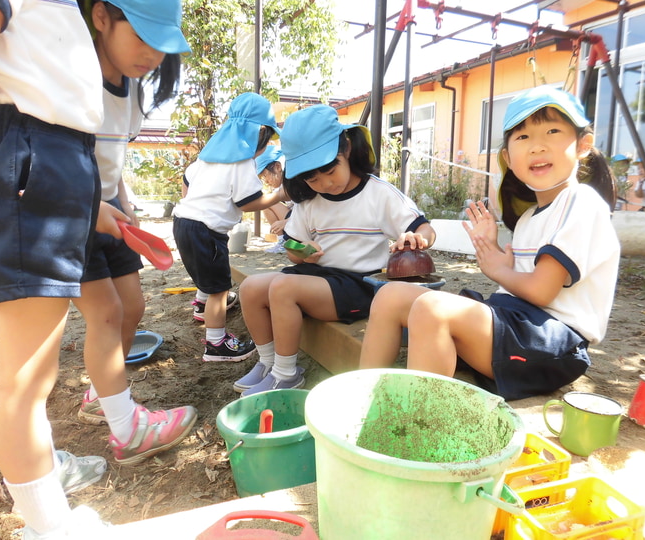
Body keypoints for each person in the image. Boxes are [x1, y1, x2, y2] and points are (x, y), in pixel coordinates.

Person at [0, 1, 193, 537]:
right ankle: (50, 524)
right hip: (26, 163)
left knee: (33, 375)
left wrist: (94, 206)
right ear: (103, 15)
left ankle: (51, 496)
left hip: (48, 173)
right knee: (27, 380)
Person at [359, 86, 620, 401]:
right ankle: (363, 398)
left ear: (583, 145)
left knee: (432, 307)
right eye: (523, 137)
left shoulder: (581, 202)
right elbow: (519, 282)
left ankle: (421, 426)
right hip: (518, 325)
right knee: (390, 295)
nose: (537, 146)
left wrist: (497, 269)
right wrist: (496, 255)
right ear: (509, 158)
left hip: (552, 344)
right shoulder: (528, 219)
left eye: (552, 131)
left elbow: (540, 290)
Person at [236, 105, 437, 396]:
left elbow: (425, 229)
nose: (324, 184)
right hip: (318, 276)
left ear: (346, 149)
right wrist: (303, 250)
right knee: (251, 287)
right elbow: (291, 248)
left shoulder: (379, 194)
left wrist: (417, 239)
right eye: (311, 179)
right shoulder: (309, 202)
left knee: (282, 287)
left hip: (362, 284)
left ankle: (286, 373)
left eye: (330, 171)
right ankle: (268, 363)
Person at [73, 0, 195, 456]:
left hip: (108, 210)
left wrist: (124, 204)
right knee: (104, 313)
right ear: (102, 16)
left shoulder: (133, 89)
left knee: (132, 307)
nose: (152, 55)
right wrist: (92, 209)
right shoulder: (74, 78)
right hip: (71, 207)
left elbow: (112, 159)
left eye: (162, 45)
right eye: (142, 36)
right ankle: (127, 429)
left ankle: (100, 393)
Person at [172, 92, 287, 362]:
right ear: (259, 132)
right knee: (219, 290)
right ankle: (217, 344)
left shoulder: (208, 157)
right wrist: (280, 195)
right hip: (205, 231)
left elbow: (187, 182)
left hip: (183, 222)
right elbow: (249, 202)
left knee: (207, 278)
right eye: (268, 138)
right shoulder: (241, 161)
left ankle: (201, 306)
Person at [255, 145, 291, 253]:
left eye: (265, 175)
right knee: (266, 202)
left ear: (278, 167)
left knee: (268, 202)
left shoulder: (293, 181)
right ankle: (283, 241)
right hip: (296, 218)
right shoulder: (281, 186)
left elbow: (308, 211)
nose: (265, 181)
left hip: (303, 221)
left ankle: (287, 241)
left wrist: (286, 222)